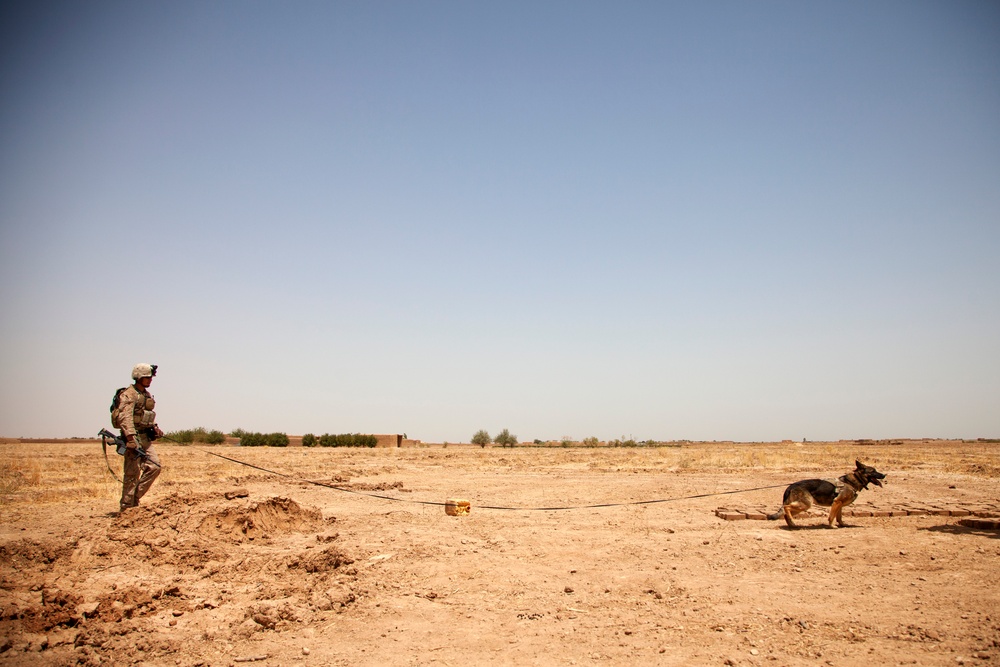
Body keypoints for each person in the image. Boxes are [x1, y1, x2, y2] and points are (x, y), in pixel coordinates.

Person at [112, 363, 163, 511]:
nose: (150, 380)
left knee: (155, 466)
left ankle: (134, 498)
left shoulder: (145, 395)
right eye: (147, 377)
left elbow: (145, 416)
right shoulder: (129, 394)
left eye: (150, 377)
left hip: (145, 438)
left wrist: (155, 428)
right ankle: (127, 507)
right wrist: (130, 439)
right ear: (138, 377)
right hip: (133, 439)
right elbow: (125, 418)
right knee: (131, 474)